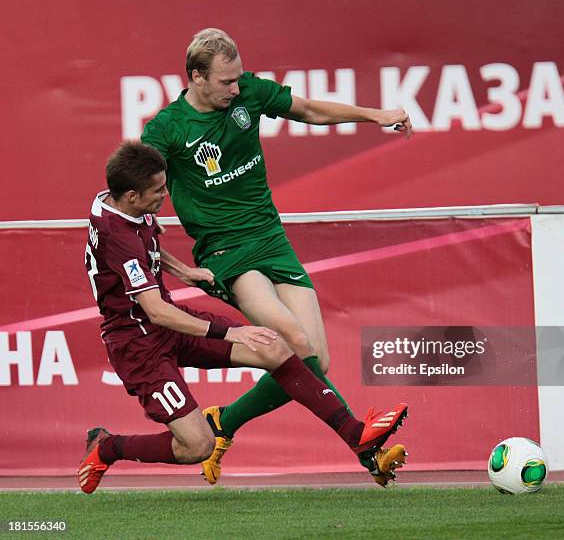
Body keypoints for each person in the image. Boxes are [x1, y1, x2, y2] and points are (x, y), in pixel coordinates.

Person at [141, 28, 412, 487]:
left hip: (272, 239)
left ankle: (224, 421)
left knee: (316, 360)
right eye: (226, 81)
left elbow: (306, 109)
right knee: (295, 344)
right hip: (226, 252)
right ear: (196, 77)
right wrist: (179, 266)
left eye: (238, 78)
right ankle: (365, 447)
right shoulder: (167, 128)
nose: (236, 87)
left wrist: (376, 115)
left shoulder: (249, 94)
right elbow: (137, 196)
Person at [78, 141, 407, 494]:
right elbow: (156, 310)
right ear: (131, 196)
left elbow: (149, 243)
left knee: (275, 347)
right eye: (158, 191)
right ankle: (106, 446)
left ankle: (356, 436)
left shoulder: (118, 201)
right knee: (197, 447)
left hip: (169, 321)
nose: (164, 196)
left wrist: (182, 270)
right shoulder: (117, 236)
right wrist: (229, 334)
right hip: (138, 344)